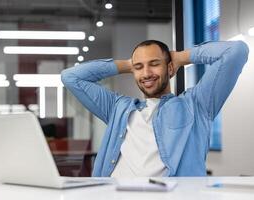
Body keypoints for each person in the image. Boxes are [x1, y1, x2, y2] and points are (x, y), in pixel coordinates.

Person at [61, 40, 249, 177]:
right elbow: (71, 77)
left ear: (169, 68)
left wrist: (181, 57)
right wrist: (128, 65)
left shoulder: (196, 105)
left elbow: (236, 51)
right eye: (139, 67)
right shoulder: (117, 108)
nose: (146, 73)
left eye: (154, 64)